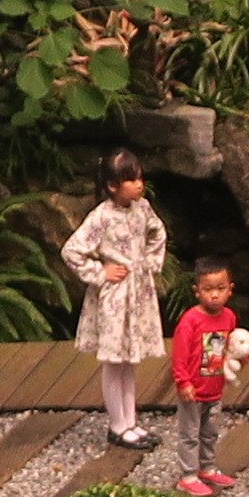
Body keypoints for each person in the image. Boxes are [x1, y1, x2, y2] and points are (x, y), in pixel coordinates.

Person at [60, 155, 175, 445]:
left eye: (140, 178)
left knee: (129, 361)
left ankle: (131, 420)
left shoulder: (142, 209)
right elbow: (72, 250)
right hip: (116, 294)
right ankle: (117, 424)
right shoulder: (101, 217)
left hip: (137, 292)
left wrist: (150, 262)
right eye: (132, 180)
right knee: (114, 361)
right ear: (113, 185)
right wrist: (101, 271)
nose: (139, 185)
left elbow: (158, 232)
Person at [167, 263, 249, 486]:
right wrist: (183, 381)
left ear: (230, 289)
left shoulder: (229, 317)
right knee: (190, 433)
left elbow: (229, 346)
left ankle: (208, 466)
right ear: (197, 291)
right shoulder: (190, 321)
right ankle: (188, 475)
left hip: (215, 386)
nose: (215, 294)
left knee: (210, 431)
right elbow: (179, 355)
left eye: (220, 288)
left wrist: (239, 358)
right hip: (193, 389)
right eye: (208, 289)